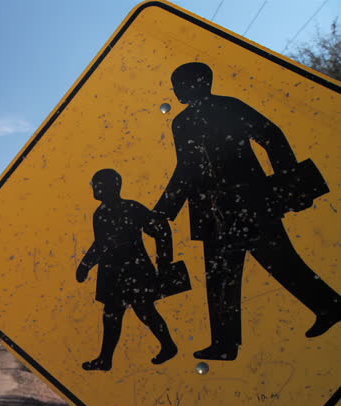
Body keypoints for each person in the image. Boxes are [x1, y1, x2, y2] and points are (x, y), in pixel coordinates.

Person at [154, 62, 340, 361]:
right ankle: (226, 344)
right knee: (224, 274)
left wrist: (288, 183)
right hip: (219, 208)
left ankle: (328, 307)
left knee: (276, 262)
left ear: (196, 84)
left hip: (245, 202)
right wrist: (163, 212)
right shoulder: (201, 115)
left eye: (178, 84)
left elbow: (271, 136)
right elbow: (190, 169)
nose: (175, 90)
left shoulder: (200, 117)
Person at [76, 169, 178, 371]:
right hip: (113, 274)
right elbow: (101, 244)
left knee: (145, 311)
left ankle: (168, 346)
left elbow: (160, 229)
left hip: (135, 271)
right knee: (112, 315)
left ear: (110, 186)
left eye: (97, 184)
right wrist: (85, 265)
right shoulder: (100, 214)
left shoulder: (132, 208)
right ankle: (105, 359)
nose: (94, 188)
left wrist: (164, 262)